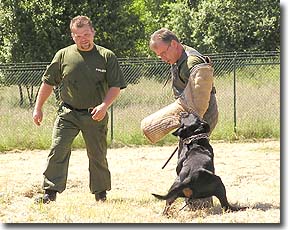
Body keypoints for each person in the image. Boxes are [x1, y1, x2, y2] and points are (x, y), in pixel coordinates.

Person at [32, 15, 126, 204]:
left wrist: (104, 106)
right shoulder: (63, 55)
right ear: (72, 36)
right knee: (58, 149)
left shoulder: (107, 56)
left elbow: (116, 86)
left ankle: (101, 194)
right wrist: (38, 107)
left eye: (86, 34)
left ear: (93, 32)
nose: (84, 39)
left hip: (95, 114)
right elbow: (48, 82)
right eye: (78, 35)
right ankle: (50, 193)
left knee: (97, 154)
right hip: (68, 113)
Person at [148, 28, 218, 209]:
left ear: (174, 44)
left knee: (194, 158)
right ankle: (195, 200)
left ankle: (200, 202)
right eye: (159, 55)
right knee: (188, 158)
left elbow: (200, 97)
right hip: (191, 115)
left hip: (201, 116)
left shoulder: (192, 62)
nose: (163, 57)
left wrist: (194, 126)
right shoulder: (179, 57)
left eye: (163, 52)